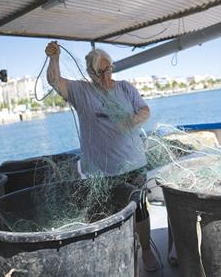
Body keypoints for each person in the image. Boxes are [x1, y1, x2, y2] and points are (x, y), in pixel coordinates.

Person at [45, 41, 159, 271]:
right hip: (102, 171)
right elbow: (54, 81)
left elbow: (144, 109)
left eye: (109, 69)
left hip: (133, 164)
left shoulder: (126, 88)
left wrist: (133, 120)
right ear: (90, 73)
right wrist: (54, 58)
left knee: (139, 209)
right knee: (108, 215)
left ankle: (146, 251)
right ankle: (118, 258)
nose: (106, 76)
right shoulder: (81, 92)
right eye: (100, 72)